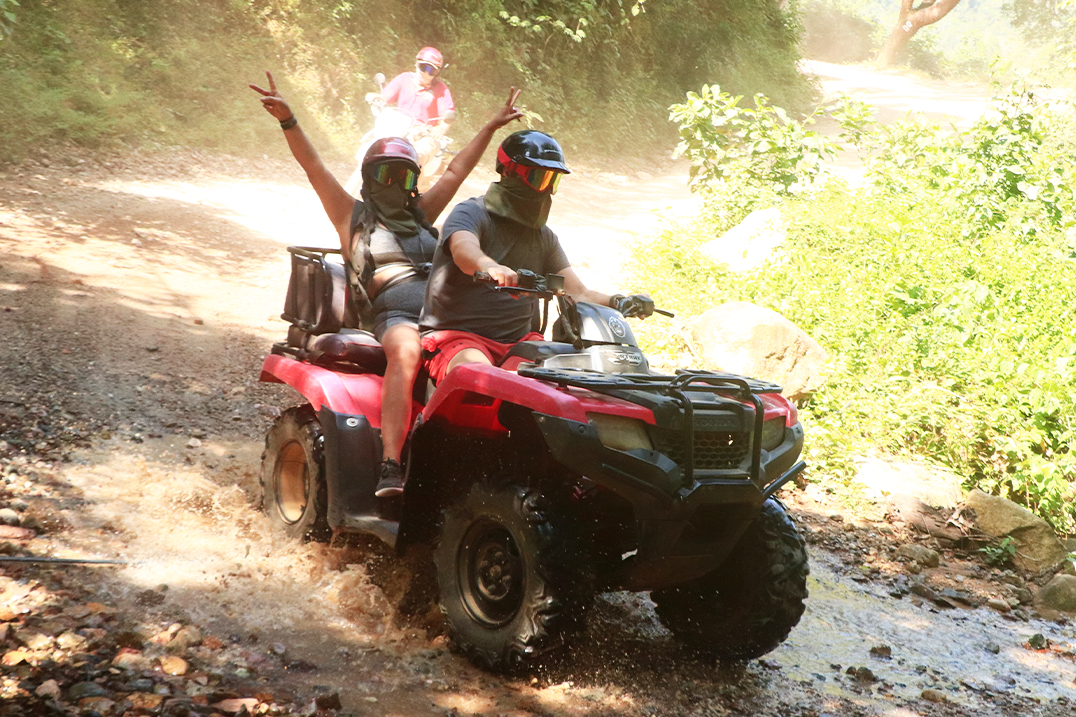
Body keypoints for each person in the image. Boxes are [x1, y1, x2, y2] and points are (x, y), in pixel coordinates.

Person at [250, 71, 523, 497]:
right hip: (394, 313)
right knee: (407, 350)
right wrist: (289, 120)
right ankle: (391, 463)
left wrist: (489, 127)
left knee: (512, 355)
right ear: (369, 179)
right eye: (386, 176)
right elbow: (314, 167)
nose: (396, 185)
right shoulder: (352, 218)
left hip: (446, 313)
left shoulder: (420, 215)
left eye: (406, 177)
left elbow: (454, 170)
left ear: (415, 183)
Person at [419, 129, 655, 383]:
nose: (546, 191)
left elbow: (578, 292)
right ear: (509, 172)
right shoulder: (471, 213)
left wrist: (619, 302)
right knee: (483, 379)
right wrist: (490, 266)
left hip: (520, 342)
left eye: (553, 181)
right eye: (539, 178)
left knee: (564, 383)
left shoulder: (544, 236)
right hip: (458, 338)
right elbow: (463, 250)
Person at [378, 47, 454, 168]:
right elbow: (384, 97)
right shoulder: (404, 78)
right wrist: (376, 100)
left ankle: (409, 183)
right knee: (373, 142)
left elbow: (447, 114)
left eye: (431, 70)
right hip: (396, 127)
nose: (426, 73)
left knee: (416, 156)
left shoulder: (441, 89)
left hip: (423, 135)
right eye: (423, 67)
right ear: (416, 64)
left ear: (437, 72)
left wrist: (441, 128)